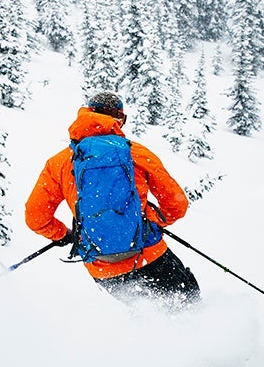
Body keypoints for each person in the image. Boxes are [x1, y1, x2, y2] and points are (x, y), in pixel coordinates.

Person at [25, 91, 201, 306]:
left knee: (148, 314)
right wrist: (152, 220)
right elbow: (177, 204)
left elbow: (36, 217)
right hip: (149, 254)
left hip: (103, 266)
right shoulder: (136, 153)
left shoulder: (59, 162)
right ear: (119, 119)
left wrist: (63, 235)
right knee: (190, 307)